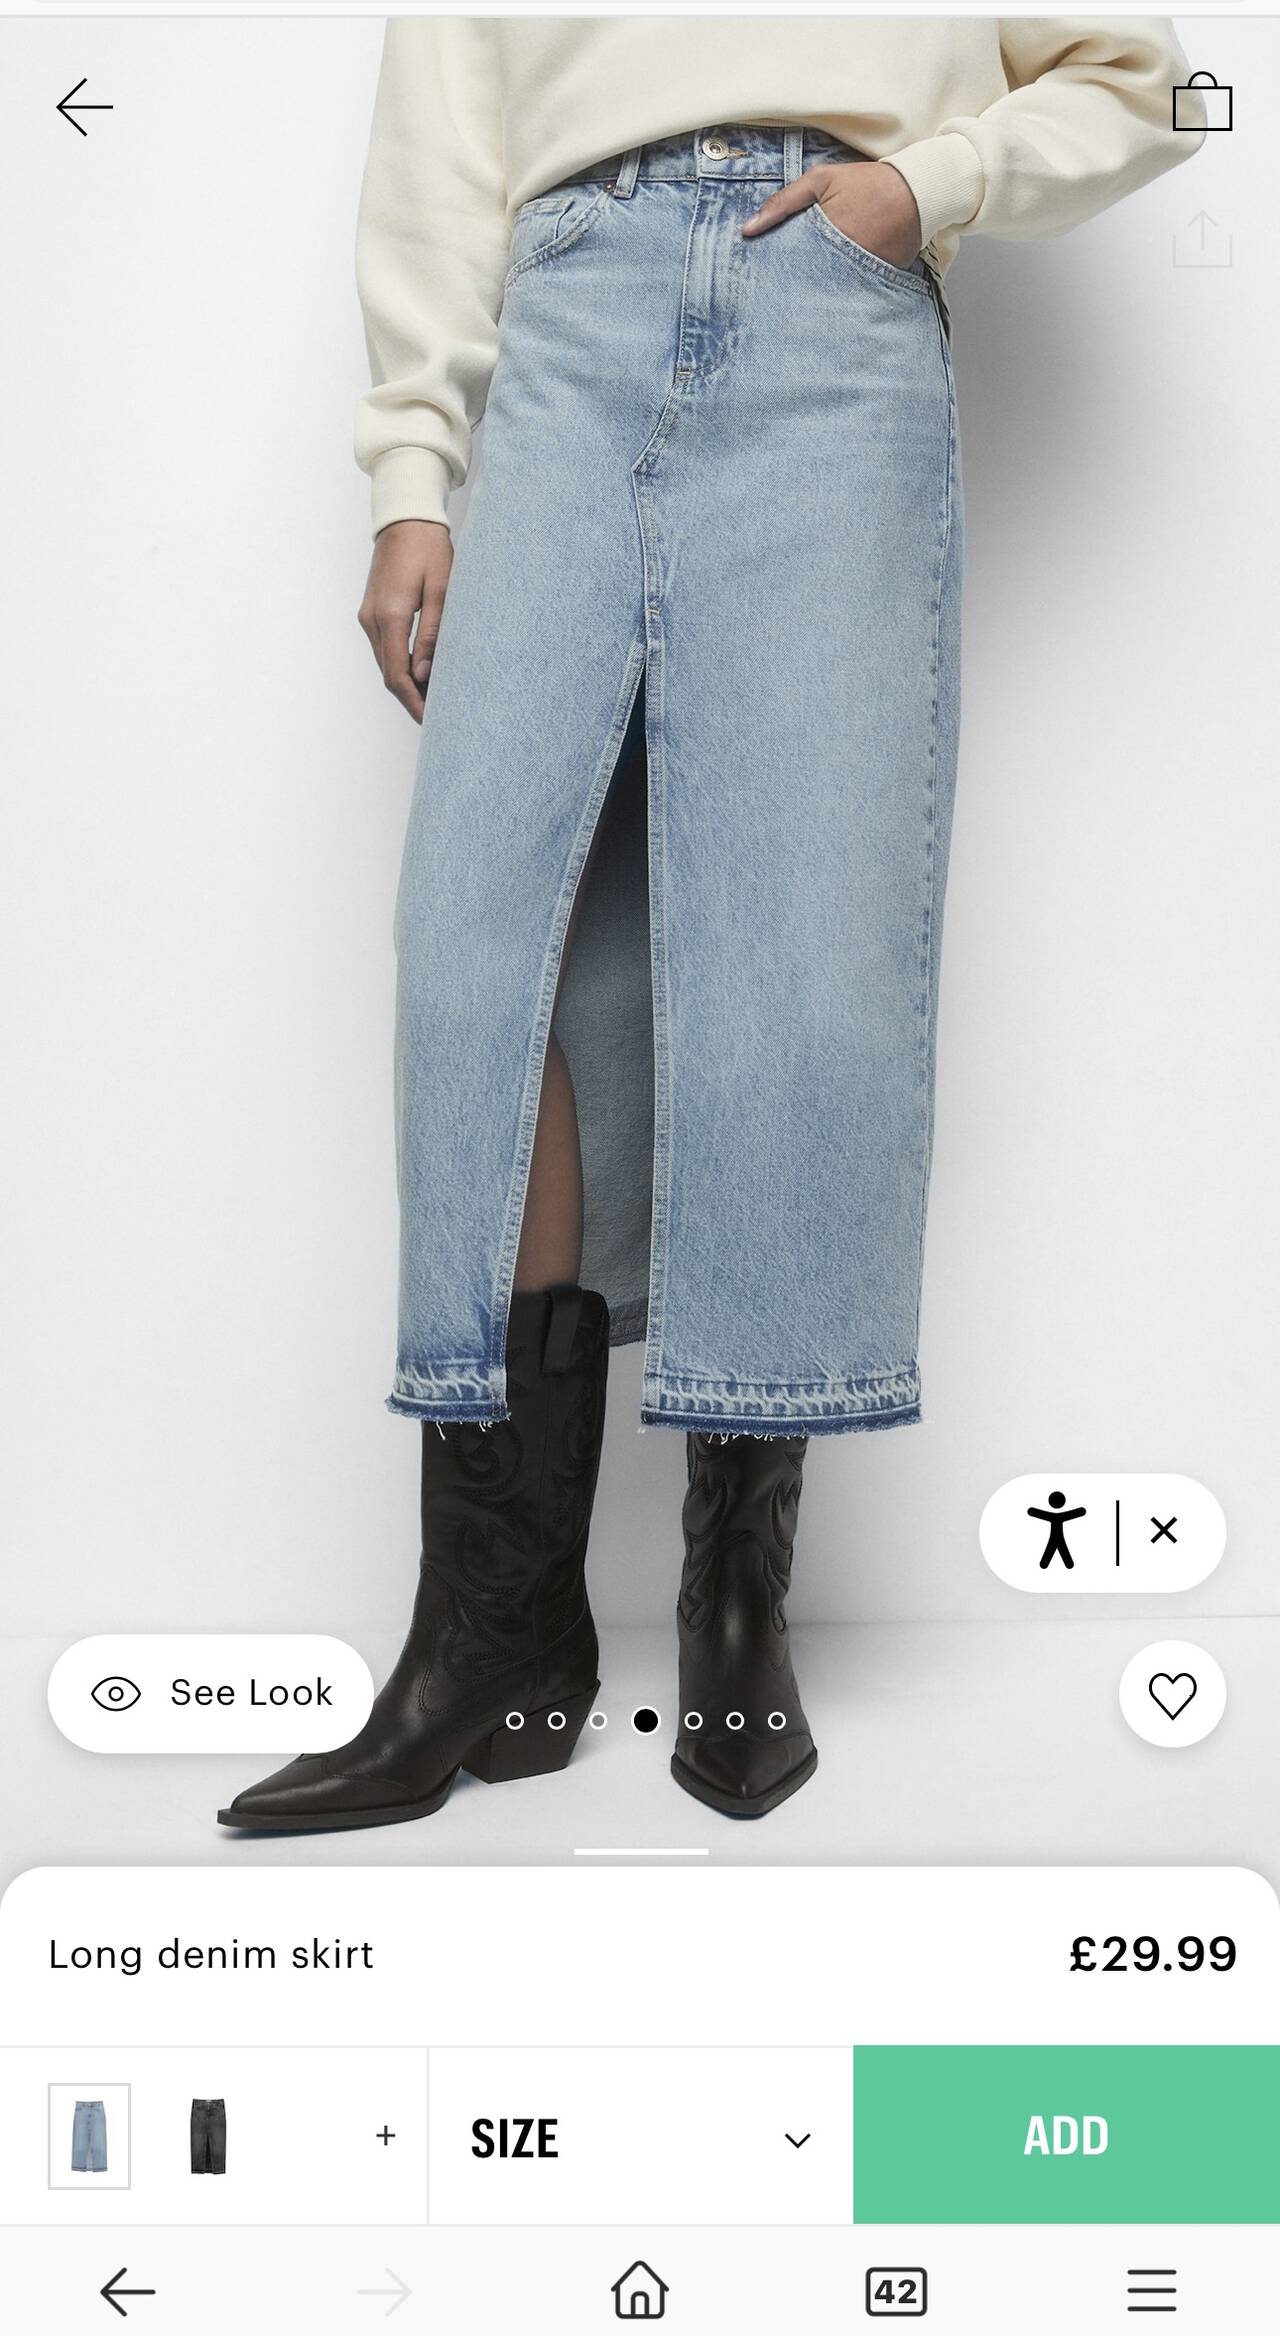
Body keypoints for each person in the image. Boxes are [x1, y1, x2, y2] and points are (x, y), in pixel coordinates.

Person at [219, 16, 1201, 1835]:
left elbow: (1154, 84)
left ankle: (734, 1598)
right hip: (568, 316)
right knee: (484, 960)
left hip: (834, 327)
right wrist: (413, 469)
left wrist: (927, 187)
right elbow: (440, 145)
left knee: (796, 962)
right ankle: (496, 1627)